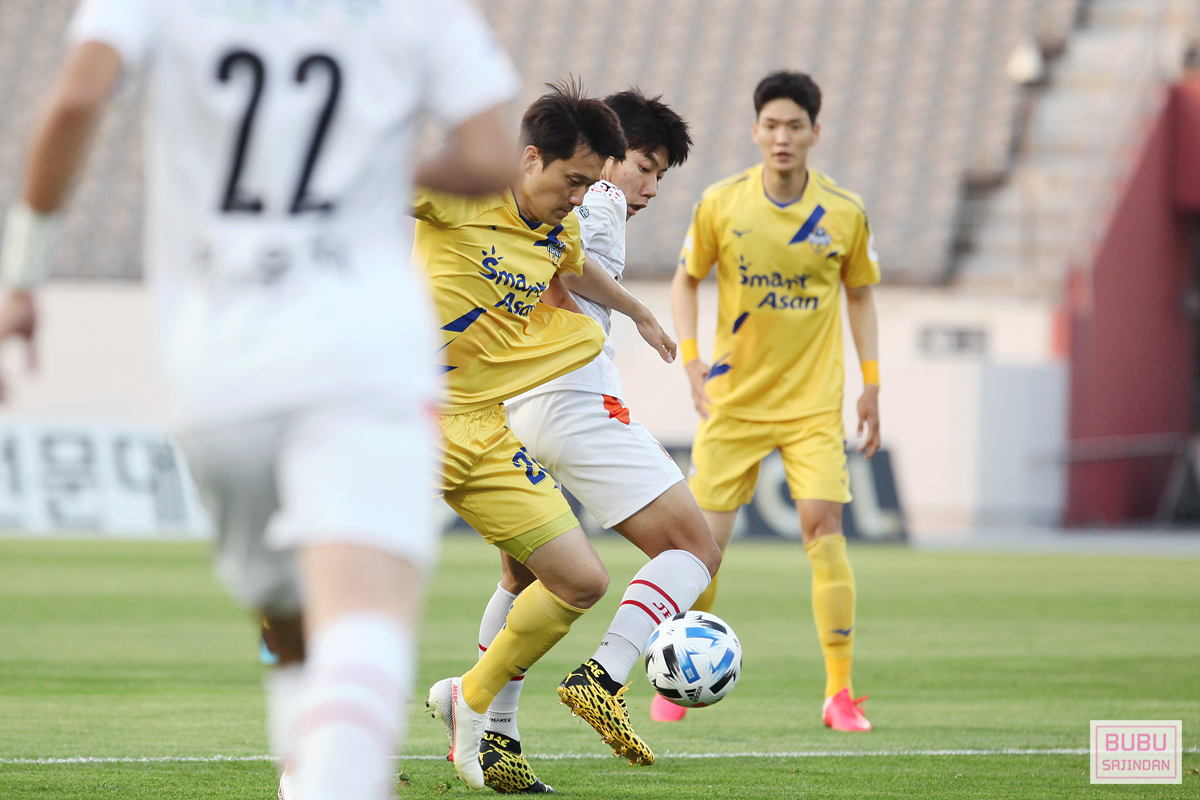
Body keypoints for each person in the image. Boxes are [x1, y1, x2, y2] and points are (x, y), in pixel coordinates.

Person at [0, 3, 520, 800]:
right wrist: (370, 165)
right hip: (365, 358)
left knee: (288, 617)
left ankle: (304, 776)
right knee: (362, 625)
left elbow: (74, 99)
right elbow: (490, 157)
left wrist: (22, 277)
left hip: (220, 369)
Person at [414, 80, 678, 791]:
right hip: (406, 423)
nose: (581, 197)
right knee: (354, 588)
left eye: (591, 184)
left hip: (484, 428)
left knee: (581, 580)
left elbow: (575, 266)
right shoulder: (462, 195)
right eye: (573, 181)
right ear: (529, 159)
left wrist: (639, 313)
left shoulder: (559, 229)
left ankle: (471, 701)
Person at [474, 89, 718, 786]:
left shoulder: (527, 201)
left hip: (511, 408)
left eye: (658, 175)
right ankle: (605, 676)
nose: (648, 187)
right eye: (644, 165)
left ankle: (494, 736)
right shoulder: (599, 202)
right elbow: (561, 268)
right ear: (608, 157)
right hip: (576, 402)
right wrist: (638, 313)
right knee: (694, 550)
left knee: (522, 580)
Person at [670, 70, 880, 732]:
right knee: (704, 549)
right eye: (771, 125)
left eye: (795, 125)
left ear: (815, 132)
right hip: (733, 402)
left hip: (813, 403)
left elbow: (860, 295)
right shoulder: (722, 203)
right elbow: (685, 279)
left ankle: (840, 693)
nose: (782, 136)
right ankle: (679, 678)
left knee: (823, 527)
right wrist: (691, 358)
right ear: (755, 131)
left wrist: (872, 381)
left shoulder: (843, 212)